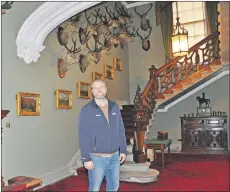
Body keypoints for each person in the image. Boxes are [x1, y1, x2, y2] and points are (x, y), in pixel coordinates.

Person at [78, 79, 127, 191]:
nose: (99, 90)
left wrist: (123, 150)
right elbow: (83, 135)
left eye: (102, 87)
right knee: (95, 188)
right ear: (92, 91)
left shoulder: (114, 107)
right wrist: (86, 158)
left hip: (115, 156)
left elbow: (120, 129)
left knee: (114, 187)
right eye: (96, 88)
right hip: (97, 158)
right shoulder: (87, 110)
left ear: (106, 89)